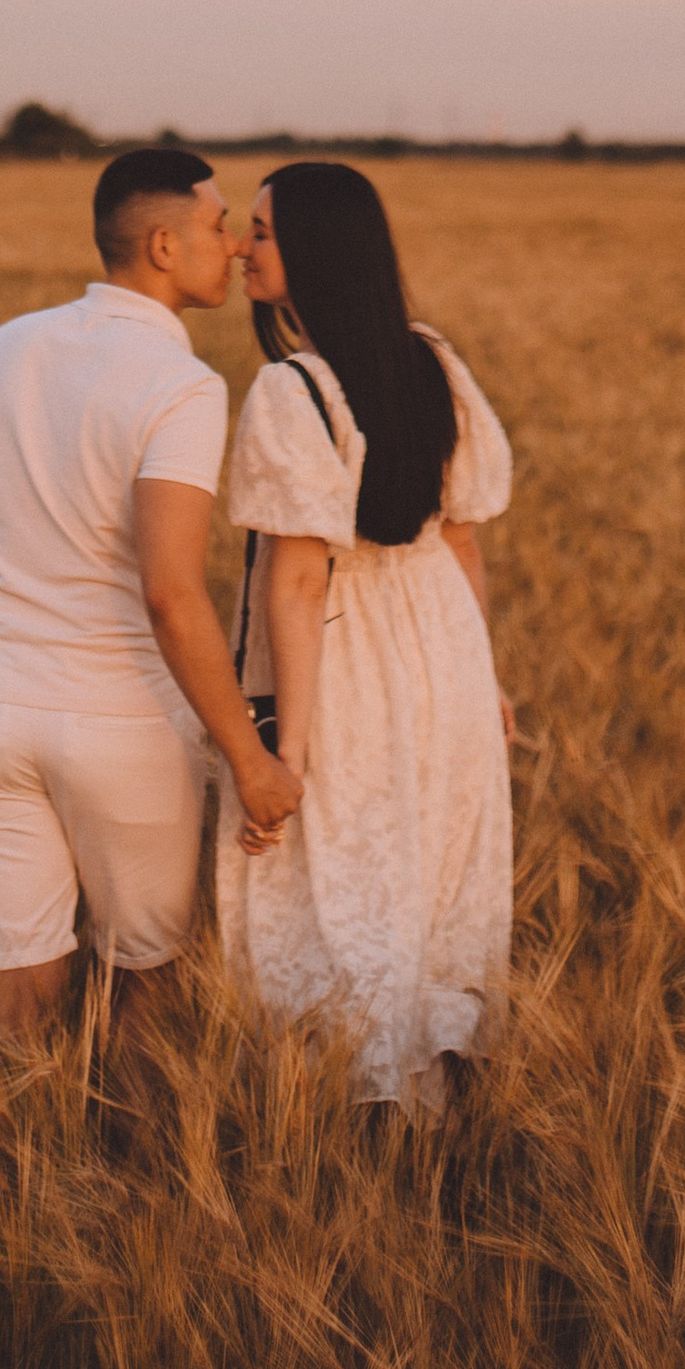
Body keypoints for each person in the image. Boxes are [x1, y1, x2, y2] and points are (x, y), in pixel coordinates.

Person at [0, 146, 304, 1032]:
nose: (234, 248)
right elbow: (170, 591)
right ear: (164, 247)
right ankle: (138, 1170)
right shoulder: (181, 384)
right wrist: (248, 759)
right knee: (147, 991)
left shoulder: (5, 347)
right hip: (123, 726)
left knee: (10, 995)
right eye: (218, 227)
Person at [218, 158, 514, 1108]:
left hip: (347, 661)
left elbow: (299, 583)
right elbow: (461, 536)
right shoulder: (434, 361)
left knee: (338, 879)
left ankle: (359, 1119)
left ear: (313, 247)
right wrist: (487, 680)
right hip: (443, 650)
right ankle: (432, 1113)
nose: (241, 247)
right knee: (428, 878)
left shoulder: (291, 391)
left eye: (259, 231)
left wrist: (284, 754)